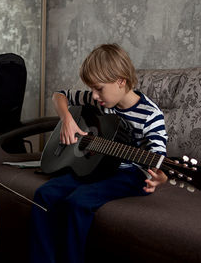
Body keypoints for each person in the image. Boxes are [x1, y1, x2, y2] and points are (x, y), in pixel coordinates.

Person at [30, 43, 168, 263]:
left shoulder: (150, 115)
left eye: (98, 88)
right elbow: (59, 95)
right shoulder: (103, 101)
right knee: (43, 195)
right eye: (91, 89)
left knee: (78, 202)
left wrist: (159, 175)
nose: (93, 96)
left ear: (121, 81)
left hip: (130, 175)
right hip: (96, 167)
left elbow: (158, 156)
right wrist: (67, 120)